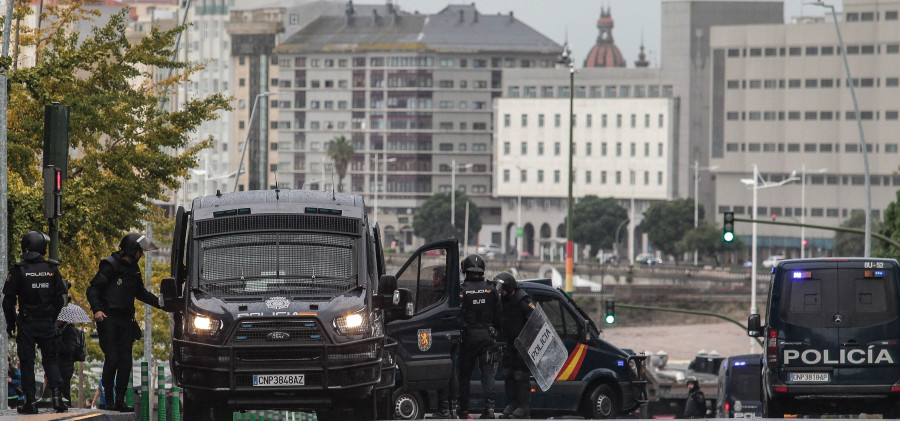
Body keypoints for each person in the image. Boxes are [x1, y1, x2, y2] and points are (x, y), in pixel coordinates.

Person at [86, 232, 162, 412]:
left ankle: (120, 400)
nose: (141, 255)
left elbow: (140, 292)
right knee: (112, 359)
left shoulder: (134, 269)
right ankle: (109, 400)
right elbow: (93, 289)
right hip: (108, 318)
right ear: (131, 249)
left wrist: (161, 303)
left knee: (126, 361)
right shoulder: (110, 265)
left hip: (126, 320)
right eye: (139, 251)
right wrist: (97, 309)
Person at [2, 231, 68, 414]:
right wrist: (51, 318)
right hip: (46, 322)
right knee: (51, 359)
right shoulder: (52, 269)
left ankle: (30, 402)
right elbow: (59, 300)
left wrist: (11, 324)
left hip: (27, 323)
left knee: (27, 362)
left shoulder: (18, 269)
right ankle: (57, 398)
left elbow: (7, 301)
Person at [458, 254, 501, 419]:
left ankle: (463, 410)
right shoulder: (491, 289)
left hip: (468, 338)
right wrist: (496, 331)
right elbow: (499, 314)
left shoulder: (462, 290)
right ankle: (490, 410)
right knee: (488, 373)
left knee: (465, 375)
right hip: (487, 338)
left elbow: (458, 315)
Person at [495, 272, 535, 419]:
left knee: (520, 376)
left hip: (523, 344)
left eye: (502, 288)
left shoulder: (523, 300)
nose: (501, 291)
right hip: (510, 343)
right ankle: (512, 404)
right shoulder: (504, 300)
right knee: (507, 374)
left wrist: (527, 343)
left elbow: (535, 322)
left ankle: (523, 407)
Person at [56, 319, 80, 405]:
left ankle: (67, 405)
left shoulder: (69, 330)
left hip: (66, 365)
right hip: (59, 364)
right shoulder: (58, 329)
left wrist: (58, 342)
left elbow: (70, 349)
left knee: (64, 389)